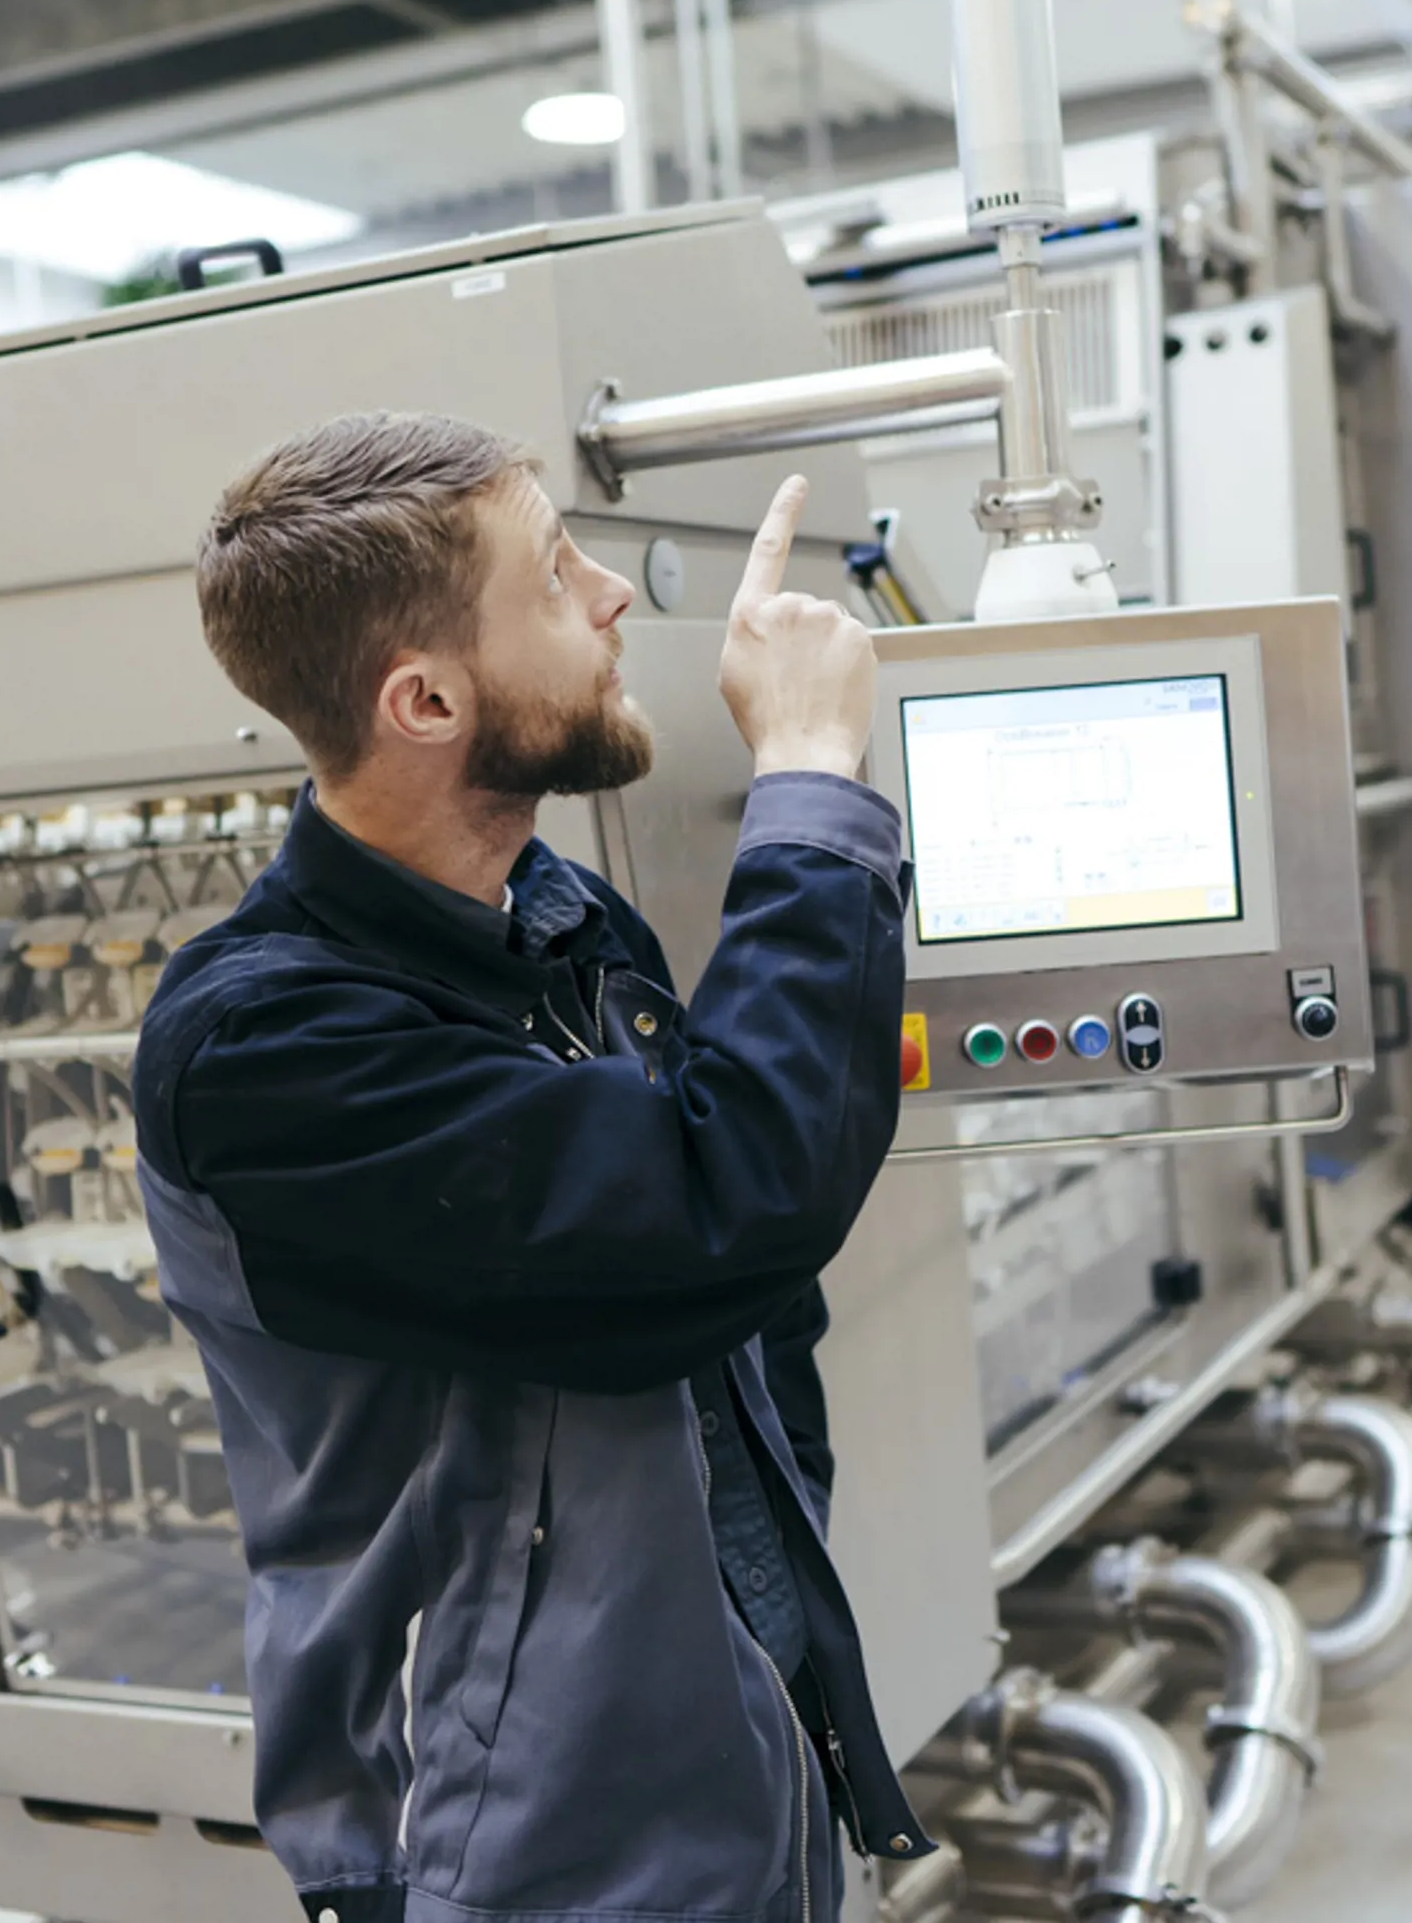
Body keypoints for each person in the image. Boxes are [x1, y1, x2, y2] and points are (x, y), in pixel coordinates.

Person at [132, 410, 936, 1923]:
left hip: (721, 1763)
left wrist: (773, 1573)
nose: (613, 597)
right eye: (558, 579)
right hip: (503, 1853)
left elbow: (751, 1297)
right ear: (428, 699)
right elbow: (722, 1202)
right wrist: (814, 776)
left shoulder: (563, 928)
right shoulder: (270, 1054)